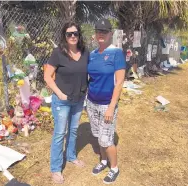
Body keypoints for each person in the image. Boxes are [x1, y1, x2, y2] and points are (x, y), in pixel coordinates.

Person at [44, 22, 89, 184]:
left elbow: (87, 73)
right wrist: (60, 94)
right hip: (62, 100)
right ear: (64, 36)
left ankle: (71, 156)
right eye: (69, 34)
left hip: (78, 99)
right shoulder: (58, 53)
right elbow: (47, 76)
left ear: (79, 35)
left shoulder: (85, 52)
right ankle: (56, 169)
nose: (72, 37)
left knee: (74, 130)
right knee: (60, 133)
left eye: (75, 33)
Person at [86, 18, 126, 184]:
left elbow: (119, 83)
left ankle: (114, 168)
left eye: (104, 31)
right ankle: (103, 161)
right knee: (97, 135)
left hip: (106, 104)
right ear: (95, 34)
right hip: (92, 102)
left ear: (110, 34)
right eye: (98, 31)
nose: (100, 34)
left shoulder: (116, 53)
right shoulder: (93, 54)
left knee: (106, 139)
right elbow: (89, 78)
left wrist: (111, 107)